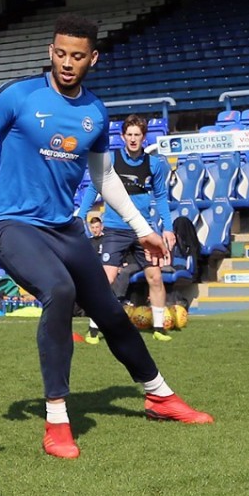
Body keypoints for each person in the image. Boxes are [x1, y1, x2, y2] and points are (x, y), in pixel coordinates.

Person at [0, 13, 212, 461]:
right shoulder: (18, 95)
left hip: (65, 227)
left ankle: (159, 396)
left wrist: (143, 229)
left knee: (110, 312)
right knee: (59, 290)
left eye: (76, 56)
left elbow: (104, 176)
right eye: (60, 53)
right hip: (12, 224)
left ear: (93, 58)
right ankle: (57, 421)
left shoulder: (95, 113)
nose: (67, 63)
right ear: (50, 52)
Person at [78, 114, 176, 343]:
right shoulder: (111, 159)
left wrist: (168, 228)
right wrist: (81, 214)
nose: (133, 139)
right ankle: (94, 328)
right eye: (129, 134)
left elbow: (161, 197)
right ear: (122, 136)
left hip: (144, 230)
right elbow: (94, 187)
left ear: (144, 137)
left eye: (137, 135)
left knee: (155, 277)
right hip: (115, 229)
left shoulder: (154, 164)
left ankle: (159, 328)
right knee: (106, 278)